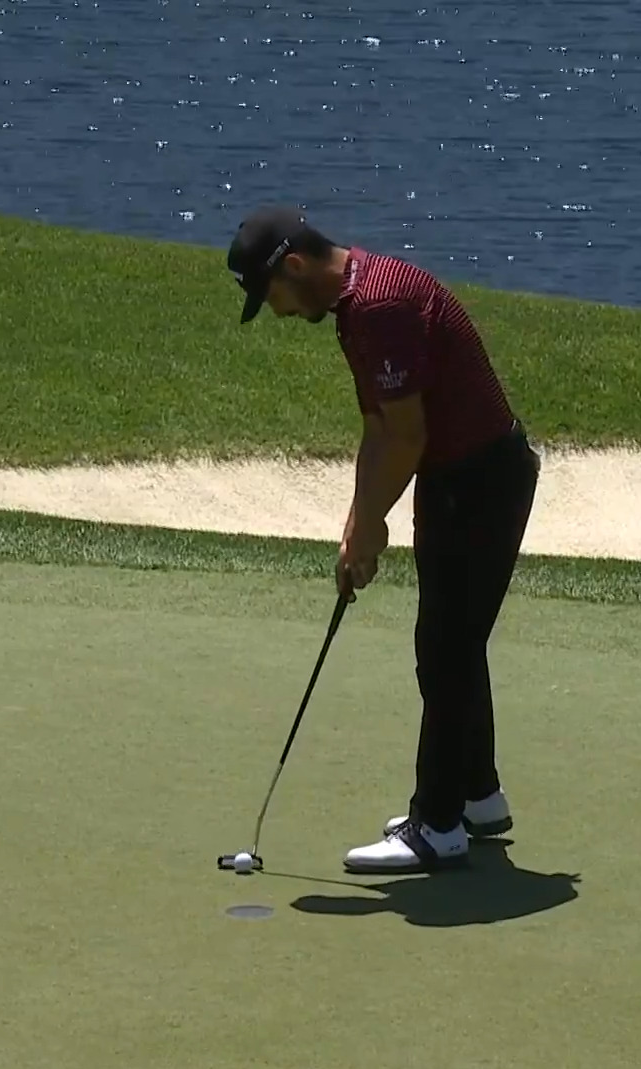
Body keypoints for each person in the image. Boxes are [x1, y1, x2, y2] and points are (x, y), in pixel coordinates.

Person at [227, 204, 541, 873]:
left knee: (447, 649)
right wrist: (356, 526)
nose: (278, 312)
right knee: (451, 644)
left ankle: (439, 826)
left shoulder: (380, 307)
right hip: (458, 480)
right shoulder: (354, 307)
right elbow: (379, 429)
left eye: (272, 295)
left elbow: (408, 435)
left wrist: (373, 524)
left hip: (480, 481)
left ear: (295, 266)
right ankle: (478, 796)